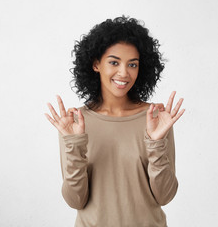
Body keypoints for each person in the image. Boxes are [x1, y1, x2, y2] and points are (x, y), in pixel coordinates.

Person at [44, 16, 185, 227]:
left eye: (132, 64)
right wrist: (74, 144)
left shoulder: (155, 119)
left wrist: (156, 144)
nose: (123, 73)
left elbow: (165, 196)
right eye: (114, 62)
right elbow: (75, 200)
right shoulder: (74, 123)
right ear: (95, 64)